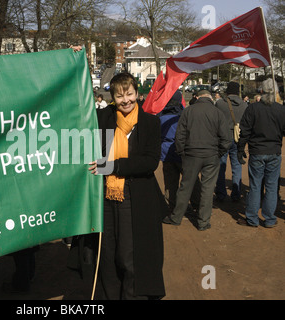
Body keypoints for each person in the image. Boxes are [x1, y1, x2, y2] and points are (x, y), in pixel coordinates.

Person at [89, 72, 167, 300]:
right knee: (107, 255)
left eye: (130, 94)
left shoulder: (150, 123)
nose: (126, 100)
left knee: (129, 256)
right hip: (105, 198)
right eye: (120, 96)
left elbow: (150, 161)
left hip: (136, 199)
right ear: (112, 97)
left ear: (138, 94)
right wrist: (77, 62)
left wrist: (111, 166)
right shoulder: (103, 118)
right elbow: (78, 102)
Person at [163, 90, 232, 231]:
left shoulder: (188, 111)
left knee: (185, 187)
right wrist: (218, 152)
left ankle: (176, 217)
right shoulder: (217, 112)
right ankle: (203, 221)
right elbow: (226, 138)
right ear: (210, 98)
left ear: (197, 97)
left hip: (191, 155)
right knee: (207, 189)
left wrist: (182, 152)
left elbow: (180, 135)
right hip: (211, 155)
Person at [236, 78, 285, 228]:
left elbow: (245, 131)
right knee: (271, 186)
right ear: (275, 92)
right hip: (273, 152)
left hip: (258, 152)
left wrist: (240, 148)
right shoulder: (280, 109)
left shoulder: (253, 108)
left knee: (256, 185)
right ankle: (269, 219)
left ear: (261, 91)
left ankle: (252, 218)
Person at [157, 90, 201, 214]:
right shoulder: (184, 115)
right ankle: (197, 205)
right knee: (192, 181)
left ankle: (172, 208)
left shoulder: (160, 117)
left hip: (167, 154)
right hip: (184, 153)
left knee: (170, 183)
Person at [214, 81, 248, 202]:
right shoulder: (244, 105)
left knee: (221, 166)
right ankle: (236, 192)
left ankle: (221, 193)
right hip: (238, 138)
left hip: (222, 138)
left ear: (227, 91)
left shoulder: (220, 104)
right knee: (237, 166)